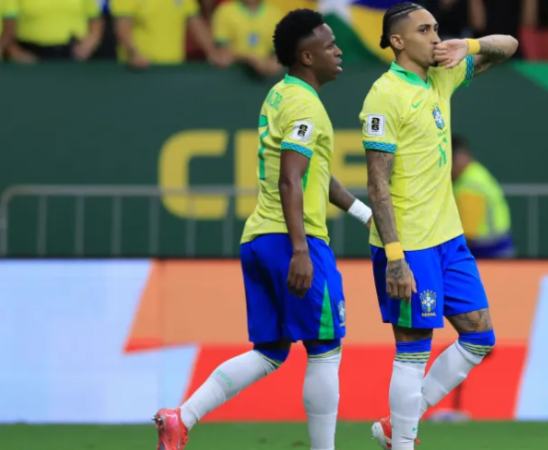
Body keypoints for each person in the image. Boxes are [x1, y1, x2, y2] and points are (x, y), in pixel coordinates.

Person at [153, 9, 371, 450]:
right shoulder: (305, 104)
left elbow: (316, 175)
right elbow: (291, 179)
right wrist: (300, 250)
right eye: (330, 45)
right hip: (293, 240)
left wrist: (367, 216)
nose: (338, 51)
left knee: (270, 351)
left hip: (259, 239)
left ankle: (182, 418)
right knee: (325, 347)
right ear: (307, 56)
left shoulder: (280, 94)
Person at [358, 3, 517, 449]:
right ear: (397, 41)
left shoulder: (441, 76)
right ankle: (403, 442)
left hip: (448, 238)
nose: (435, 37)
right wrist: (394, 256)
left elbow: (509, 46)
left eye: (436, 29)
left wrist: (467, 45)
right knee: (413, 349)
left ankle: (397, 424)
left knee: (480, 336)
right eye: (424, 30)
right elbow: (377, 183)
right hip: (409, 243)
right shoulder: (384, 95)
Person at [110, 0, 228, 69]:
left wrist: (213, 52)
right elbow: (122, 28)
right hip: (141, 69)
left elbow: (196, 24)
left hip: (173, 69)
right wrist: (134, 53)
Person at [451, 135, 515, 258]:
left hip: (489, 251)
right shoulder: (476, 172)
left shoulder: (469, 185)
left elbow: (468, 233)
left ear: (459, 158)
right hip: (498, 245)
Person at [3, 0, 104, 62]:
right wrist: (15, 52)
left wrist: (90, 42)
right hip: (30, 54)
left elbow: (96, 18)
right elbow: (7, 27)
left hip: (73, 53)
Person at [212, 0, 282, 77]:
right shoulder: (225, 11)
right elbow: (223, 53)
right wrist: (249, 59)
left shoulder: (275, 13)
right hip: (233, 75)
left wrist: (274, 61)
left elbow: (277, 51)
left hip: (266, 77)